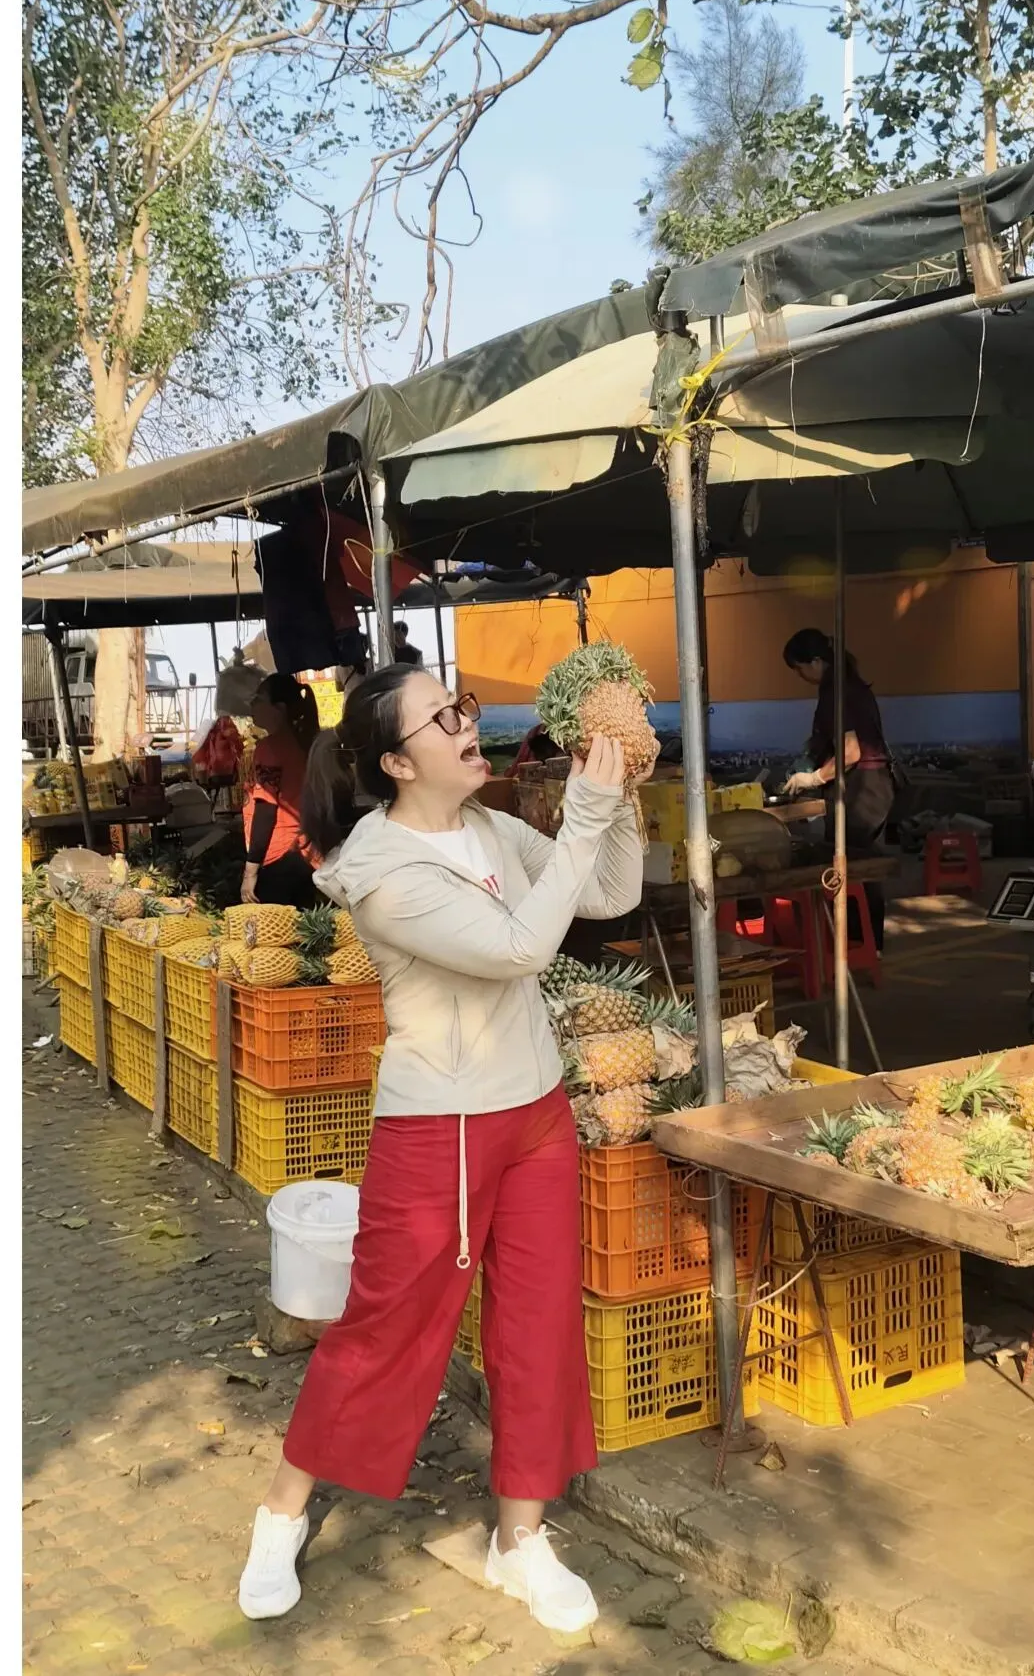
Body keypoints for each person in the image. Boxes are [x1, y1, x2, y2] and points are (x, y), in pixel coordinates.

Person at [237, 665, 650, 1632]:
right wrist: (586, 813)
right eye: (442, 716)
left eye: (460, 705)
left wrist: (621, 790)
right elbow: (519, 948)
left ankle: (520, 1539)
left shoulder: (490, 828)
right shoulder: (382, 872)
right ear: (396, 760)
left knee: (539, 1325)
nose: (468, 722)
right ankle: (281, 1512)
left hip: (536, 1113)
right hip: (439, 1129)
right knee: (385, 1325)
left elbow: (610, 891)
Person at [781, 627, 894, 952]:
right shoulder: (848, 685)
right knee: (866, 868)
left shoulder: (838, 692)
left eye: (800, 668)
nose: (801, 676)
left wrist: (815, 778)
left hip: (861, 791)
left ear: (816, 661)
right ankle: (870, 946)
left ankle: (856, 946)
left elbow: (851, 751)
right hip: (875, 787)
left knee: (851, 868)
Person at [240, 674, 321, 908]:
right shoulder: (306, 741)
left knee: (275, 928)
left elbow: (266, 809)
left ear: (280, 708)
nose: (252, 704)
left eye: (259, 698)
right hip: (307, 852)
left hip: (279, 856)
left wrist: (250, 871)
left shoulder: (270, 748)